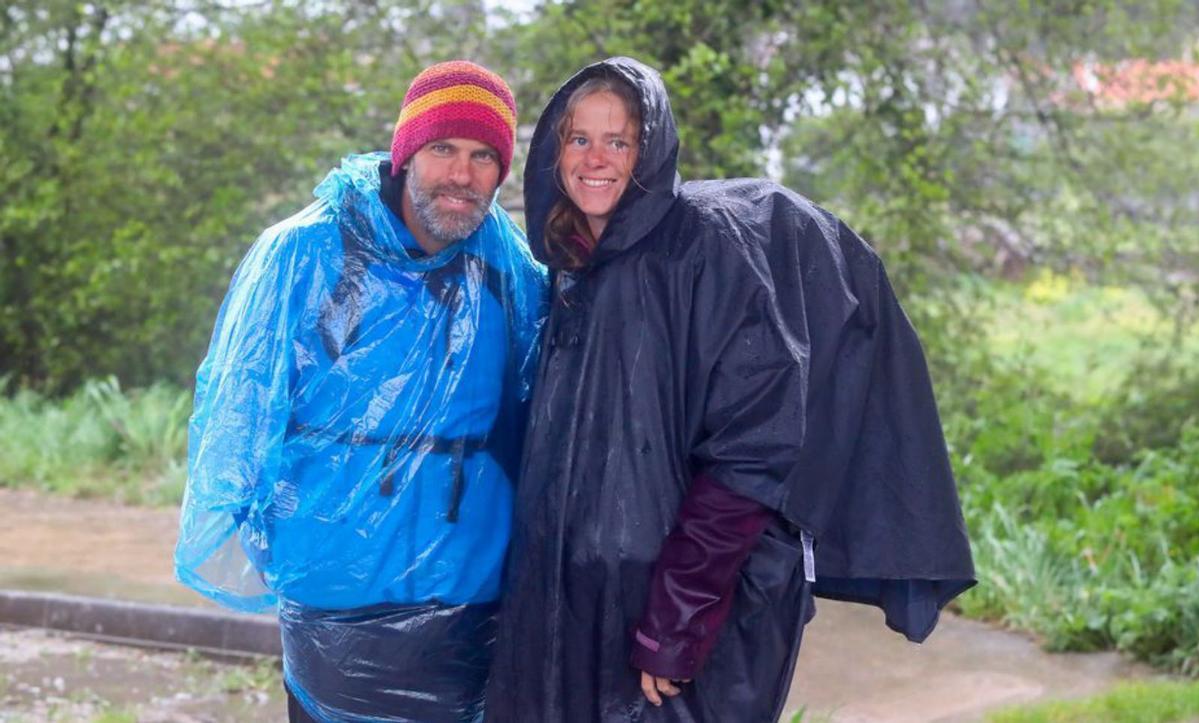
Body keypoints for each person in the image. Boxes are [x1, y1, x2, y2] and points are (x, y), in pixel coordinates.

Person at [486, 57, 975, 722]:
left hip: (676, 618)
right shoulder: (574, 268)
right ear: (553, 150)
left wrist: (675, 623)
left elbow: (750, 456)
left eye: (618, 140)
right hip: (577, 608)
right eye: (579, 139)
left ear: (648, 152)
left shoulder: (701, 254)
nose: (595, 159)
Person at [174, 60, 547, 722]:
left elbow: (546, 393)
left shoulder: (505, 260)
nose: (462, 175)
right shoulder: (302, 252)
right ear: (407, 154)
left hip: (468, 599)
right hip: (336, 595)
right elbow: (241, 403)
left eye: (483, 156)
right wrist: (238, 534)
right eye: (443, 149)